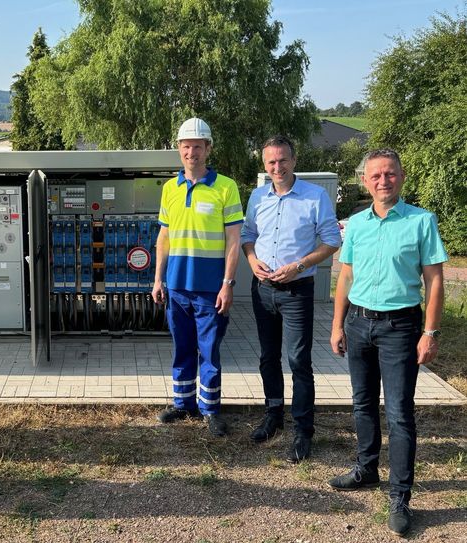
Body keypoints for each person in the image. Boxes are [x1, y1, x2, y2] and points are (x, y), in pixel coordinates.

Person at [328, 149, 447, 536]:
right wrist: (337, 325)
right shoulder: (357, 225)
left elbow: (435, 281)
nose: (383, 181)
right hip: (359, 323)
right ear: (365, 181)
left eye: (390, 173)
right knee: (362, 403)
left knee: (398, 413)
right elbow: (346, 276)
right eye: (376, 175)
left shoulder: (421, 222)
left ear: (402, 176)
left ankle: (400, 496)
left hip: (400, 327)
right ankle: (366, 469)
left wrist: (430, 332)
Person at [241, 136, 341, 463]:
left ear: (294, 160)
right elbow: (248, 236)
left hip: (297, 290)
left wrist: (299, 265)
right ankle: (273, 415)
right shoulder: (257, 196)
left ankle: (302, 429)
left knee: (298, 360)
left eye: (282, 160)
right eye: (271, 162)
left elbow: (331, 241)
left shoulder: (315, 196)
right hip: (263, 289)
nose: (277, 167)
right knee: (268, 357)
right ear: (264, 165)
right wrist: (251, 260)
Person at [151, 117, 244, 436]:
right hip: (176, 286)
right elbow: (164, 237)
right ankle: (183, 403)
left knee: (209, 351)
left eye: (198, 146)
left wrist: (227, 284)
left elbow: (234, 240)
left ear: (208, 148)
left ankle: (211, 410)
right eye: (186, 146)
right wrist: (158, 279)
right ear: (179, 149)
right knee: (182, 348)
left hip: (210, 289)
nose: (192, 152)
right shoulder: (169, 188)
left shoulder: (226, 187)